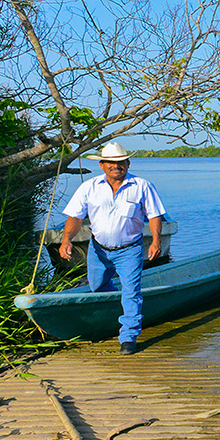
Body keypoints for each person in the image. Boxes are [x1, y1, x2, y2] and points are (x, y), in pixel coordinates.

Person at [59, 142, 167, 355]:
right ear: (101, 165)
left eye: (120, 162)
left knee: (131, 292)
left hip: (130, 249)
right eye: (111, 162)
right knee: (98, 287)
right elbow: (75, 217)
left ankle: (128, 337)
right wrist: (66, 240)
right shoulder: (89, 187)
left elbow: (154, 215)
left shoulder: (142, 185)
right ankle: (117, 316)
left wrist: (156, 241)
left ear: (127, 163)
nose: (116, 166)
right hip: (98, 249)